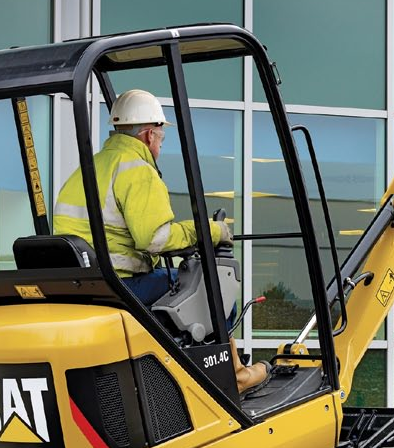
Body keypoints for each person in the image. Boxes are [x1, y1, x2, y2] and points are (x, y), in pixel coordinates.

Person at [54, 89, 268, 394]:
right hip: (122, 284)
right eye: (160, 139)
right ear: (148, 135)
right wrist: (211, 231)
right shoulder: (138, 170)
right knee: (215, 293)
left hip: (88, 283)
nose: (159, 146)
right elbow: (155, 239)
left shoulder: (91, 167)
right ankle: (234, 377)